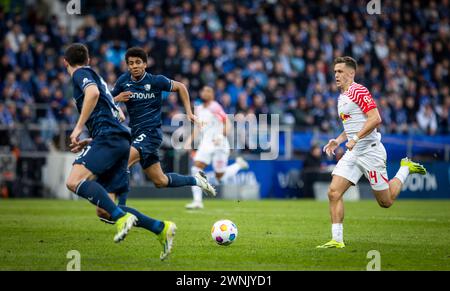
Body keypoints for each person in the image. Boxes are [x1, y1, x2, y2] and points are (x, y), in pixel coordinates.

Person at [64, 43, 176, 260]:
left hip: (111, 137)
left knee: (73, 181)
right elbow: (116, 113)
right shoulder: (98, 77)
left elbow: (93, 93)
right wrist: (91, 140)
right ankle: (161, 228)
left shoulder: (81, 73)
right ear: (87, 58)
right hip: (116, 138)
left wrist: (78, 128)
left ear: (65, 62)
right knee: (104, 210)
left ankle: (122, 218)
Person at [317, 56, 427, 249]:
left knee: (386, 202)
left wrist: (356, 138)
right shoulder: (341, 96)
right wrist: (339, 140)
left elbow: (375, 118)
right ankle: (337, 240)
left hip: (370, 151)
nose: (336, 75)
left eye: (340, 71)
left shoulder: (358, 90)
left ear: (351, 73)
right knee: (334, 192)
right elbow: (352, 126)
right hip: (354, 152)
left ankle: (405, 168)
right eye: (335, 72)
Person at [110, 47, 216, 205]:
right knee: (160, 181)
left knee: (123, 162)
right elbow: (107, 101)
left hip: (151, 134)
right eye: (131, 63)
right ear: (127, 66)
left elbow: (181, 87)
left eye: (138, 62)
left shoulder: (155, 81)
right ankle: (197, 180)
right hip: (136, 134)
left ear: (145, 64)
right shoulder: (123, 81)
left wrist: (189, 112)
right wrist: (117, 100)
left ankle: (120, 209)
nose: (135, 66)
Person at [185, 86, 249, 209]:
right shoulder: (198, 109)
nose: (205, 93)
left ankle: (239, 165)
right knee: (196, 168)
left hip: (219, 143)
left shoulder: (215, 106)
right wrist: (189, 141)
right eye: (203, 90)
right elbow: (198, 127)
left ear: (212, 95)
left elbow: (228, 123)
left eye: (208, 91)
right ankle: (197, 201)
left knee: (220, 177)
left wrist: (221, 135)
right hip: (206, 143)